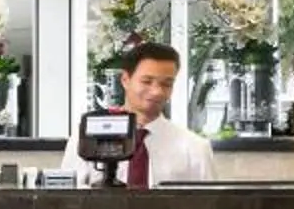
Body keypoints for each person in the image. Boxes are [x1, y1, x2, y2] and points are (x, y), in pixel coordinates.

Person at [77, 39, 215, 187]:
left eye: (166, 84)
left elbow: (210, 207)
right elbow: (66, 201)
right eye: (147, 81)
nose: (157, 92)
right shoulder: (88, 135)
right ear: (125, 79)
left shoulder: (195, 148)